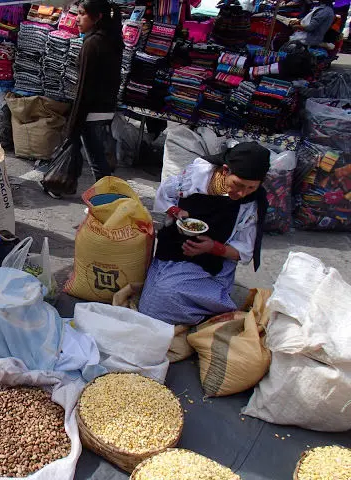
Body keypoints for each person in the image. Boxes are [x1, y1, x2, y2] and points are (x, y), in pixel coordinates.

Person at [138, 142, 270, 325]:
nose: (242, 193)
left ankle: (209, 308)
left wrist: (213, 247)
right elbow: (166, 194)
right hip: (173, 248)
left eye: (251, 188)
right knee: (153, 299)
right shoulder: (199, 173)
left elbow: (243, 252)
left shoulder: (250, 205)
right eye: (238, 184)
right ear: (225, 170)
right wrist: (176, 211)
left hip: (211, 265)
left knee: (164, 295)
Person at [44, 0, 122, 198]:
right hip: (105, 109)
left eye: (82, 14)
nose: (77, 19)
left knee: (97, 162)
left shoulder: (92, 43)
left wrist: (74, 121)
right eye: (77, 13)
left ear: (97, 17)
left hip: (92, 111)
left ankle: (106, 201)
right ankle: (99, 195)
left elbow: (84, 88)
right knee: (98, 157)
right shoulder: (112, 40)